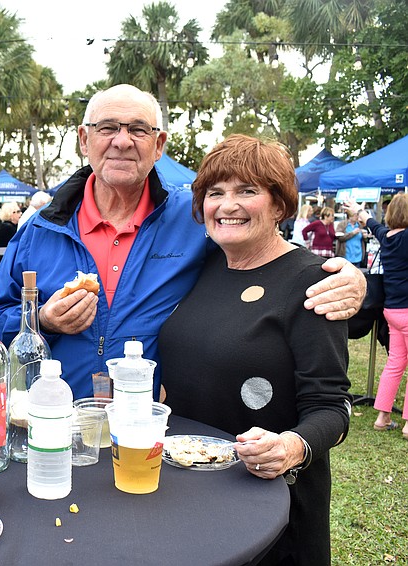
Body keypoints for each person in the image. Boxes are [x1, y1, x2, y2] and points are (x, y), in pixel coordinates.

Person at [0, 83, 364, 401]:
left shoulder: (197, 218)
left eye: (138, 129)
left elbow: (263, 256)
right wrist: (41, 320)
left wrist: (343, 276)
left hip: (157, 429)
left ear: (159, 145)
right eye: (107, 127)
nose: (122, 141)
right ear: (84, 139)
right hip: (55, 420)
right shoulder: (40, 230)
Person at [158, 135, 351, 566]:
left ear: (280, 206)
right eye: (215, 193)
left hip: (268, 503)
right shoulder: (202, 267)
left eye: (247, 191)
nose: (228, 205)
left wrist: (291, 446)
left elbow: (332, 406)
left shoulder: (312, 282)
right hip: (188, 490)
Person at [344, 194, 408, 438]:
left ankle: (383, 417)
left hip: (391, 310)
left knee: (395, 364)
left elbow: (369, 221)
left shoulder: (386, 237)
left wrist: (356, 208)